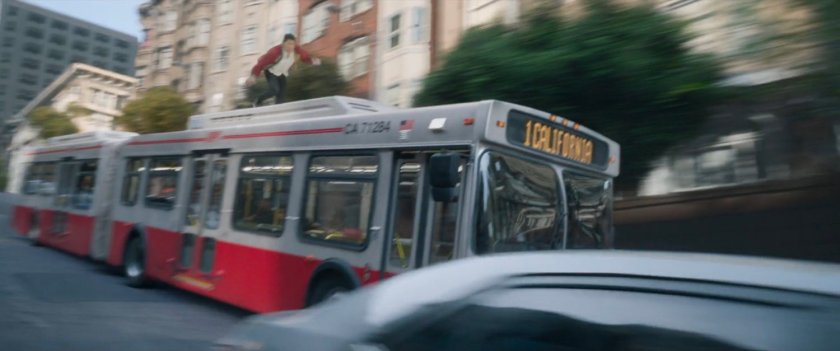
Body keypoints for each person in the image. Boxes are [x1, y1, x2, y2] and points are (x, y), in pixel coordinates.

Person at [246, 34, 321, 106]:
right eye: (288, 44)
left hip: (283, 73)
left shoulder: (296, 49)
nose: (290, 47)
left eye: (292, 44)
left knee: (281, 96)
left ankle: (277, 112)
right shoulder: (274, 52)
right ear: (283, 44)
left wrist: (312, 61)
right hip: (271, 72)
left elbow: (304, 56)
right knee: (274, 90)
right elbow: (261, 64)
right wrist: (253, 76)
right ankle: (258, 101)